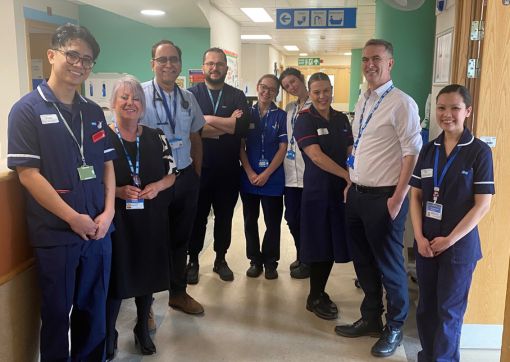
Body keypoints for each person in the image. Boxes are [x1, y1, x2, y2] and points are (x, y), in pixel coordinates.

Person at [7, 23, 116, 361]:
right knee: (57, 316)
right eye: (73, 55)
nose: (80, 64)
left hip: (98, 231)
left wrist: (109, 211)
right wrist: (73, 218)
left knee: (93, 313)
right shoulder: (27, 110)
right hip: (57, 235)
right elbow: (28, 175)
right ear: (52, 54)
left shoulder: (93, 112)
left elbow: (107, 165)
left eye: (87, 59)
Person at [335, 39, 422, 358]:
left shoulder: (402, 103)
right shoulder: (365, 98)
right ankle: (371, 317)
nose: (370, 64)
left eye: (377, 59)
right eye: (366, 59)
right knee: (363, 262)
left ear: (390, 64)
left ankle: (395, 326)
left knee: (389, 266)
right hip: (357, 195)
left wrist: (398, 198)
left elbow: (412, 153)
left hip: (386, 198)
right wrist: (350, 179)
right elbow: (360, 144)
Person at [409, 84, 494, 362]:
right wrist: (419, 238)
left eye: (455, 108)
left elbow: (482, 205)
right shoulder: (429, 149)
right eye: (441, 108)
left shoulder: (479, 152)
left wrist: (450, 240)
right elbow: (416, 195)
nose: (447, 114)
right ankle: (428, 357)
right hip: (426, 244)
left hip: (458, 248)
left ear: (467, 111)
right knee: (426, 309)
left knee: (449, 311)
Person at [105, 76, 177, 359]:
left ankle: (142, 328)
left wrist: (157, 186)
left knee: (147, 272)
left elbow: (172, 173)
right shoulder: (102, 137)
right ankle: (109, 332)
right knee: (115, 275)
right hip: (117, 220)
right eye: (123, 97)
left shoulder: (156, 136)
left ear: (143, 105)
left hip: (150, 218)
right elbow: (93, 179)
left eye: (135, 98)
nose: (130, 103)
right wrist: (119, 191)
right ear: (113, 103)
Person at [140, 40, 205, 315]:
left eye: (174, 59)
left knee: (181, 240)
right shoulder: (139, 95)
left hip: (185, 177)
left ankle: (178, 293)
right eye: (162, 59)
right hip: (154, 183)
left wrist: (196, 174)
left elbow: (195, 136)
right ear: (152, 63)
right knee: (151, 243)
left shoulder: (188, 98)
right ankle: (147, 308)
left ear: (180, 63)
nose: (168, 64)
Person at [187, 47, 250, 283]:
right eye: (210, 63)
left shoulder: (237, 95)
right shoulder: (190, 95)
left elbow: (241, 128)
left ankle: (220, 259)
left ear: (226, 67)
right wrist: (226, 124)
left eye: (219, 64)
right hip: (198, 170)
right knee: (197, 218)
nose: (215, 68)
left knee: (224, 218)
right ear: (203, 67)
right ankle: (192, 260)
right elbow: (191, 129)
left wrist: (207, 122)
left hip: (228, 171)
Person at [293, 72, 353, 320]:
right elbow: (316, 156)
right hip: (318, 191)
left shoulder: (340, 118)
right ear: (310, 93)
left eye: (326, 90)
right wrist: (347, 176)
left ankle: (320, 291)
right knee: (319, 244)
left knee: (331, 243)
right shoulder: (304, 119)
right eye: (316, 92)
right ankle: (314, 296)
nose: (322, 96)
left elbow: (351, 148)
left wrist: (353, 172)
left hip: (341, 190)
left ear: (332, 90)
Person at [240, 74, 287, 280]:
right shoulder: (246, 114)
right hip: (249, 177)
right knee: (250, 220)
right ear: (257, 87)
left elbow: (283, 147)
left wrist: (267, 173)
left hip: (273, 178)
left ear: (277, 93)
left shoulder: (281, 116)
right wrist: (250, 171)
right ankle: (254, 260)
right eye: (263, 87)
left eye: (272, 89)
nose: (266, 92)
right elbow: (240, 146)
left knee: (272, 221)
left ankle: (270, 262)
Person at [279, 67, 312, 279]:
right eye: (286, 86)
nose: (292, 87)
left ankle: (309, 260)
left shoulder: (316, 104)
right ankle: (302, 255)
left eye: (293, 81)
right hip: (290, 175)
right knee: (292, 217)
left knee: (308, 220)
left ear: (301, 78)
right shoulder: (290, 108)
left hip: (310, 174)